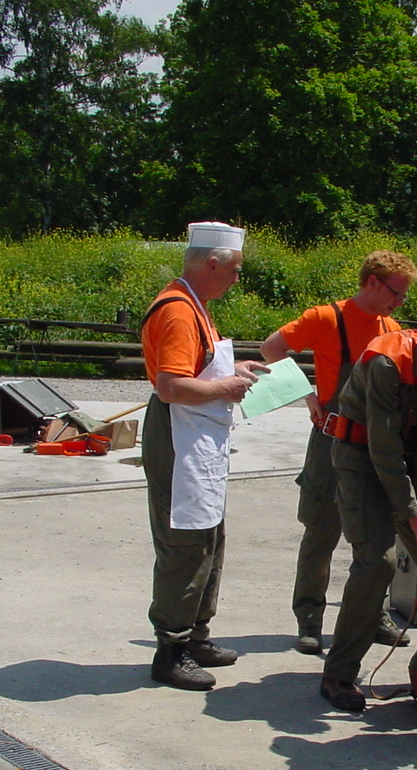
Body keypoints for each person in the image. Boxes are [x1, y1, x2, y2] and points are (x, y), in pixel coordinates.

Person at [259, 251, 417, 655]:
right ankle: (309, 618)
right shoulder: (325, 318)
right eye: (396, 293)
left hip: (374, 443)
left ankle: (373, 613)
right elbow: (272, 348)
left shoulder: (391, 327)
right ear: (372, 283)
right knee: (322, 528)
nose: (399, 302)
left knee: (376, 533)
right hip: (330, 439)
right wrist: (304, 394)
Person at [318, 322, 417, 711]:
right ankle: (339, 675)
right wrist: (414, 521)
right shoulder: (388, 361)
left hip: (405, 466)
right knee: (377, 562)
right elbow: (384, 452)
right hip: (362, 460)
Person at [140, 221, 269, 691]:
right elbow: (171, 386)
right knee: (185, 542)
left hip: (198, 438)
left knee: (208, 535)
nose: (237, 278)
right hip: (179, 437)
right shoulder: (177, 311)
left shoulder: (197, 306)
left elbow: (191, 369)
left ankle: (196, 635)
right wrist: (225, 387)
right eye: (235, 270)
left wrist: (234, 371)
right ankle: (170, 649)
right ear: (212, 264)